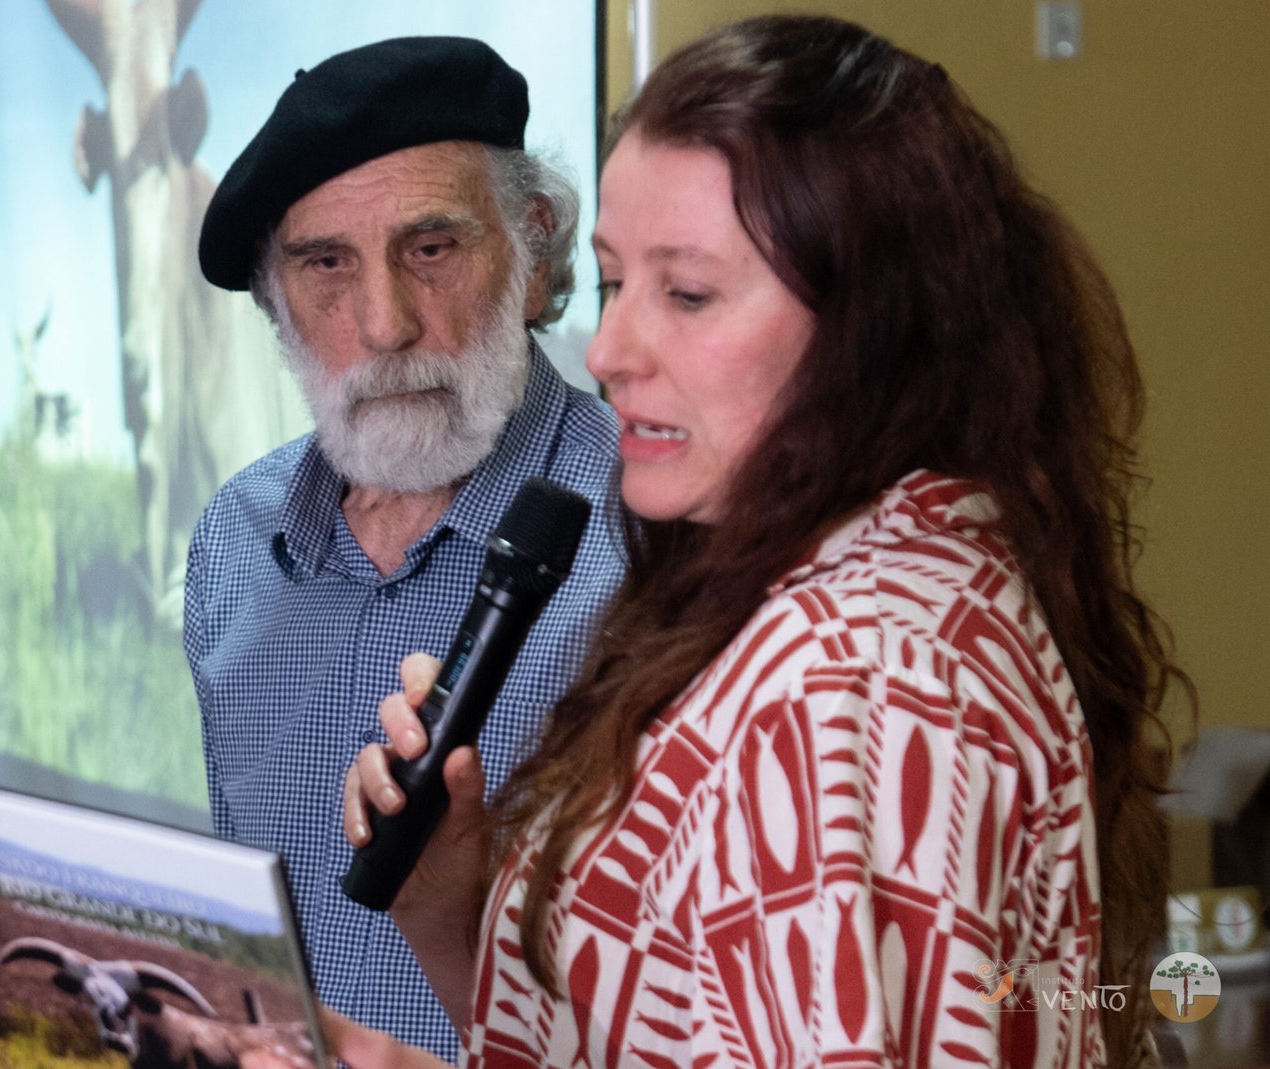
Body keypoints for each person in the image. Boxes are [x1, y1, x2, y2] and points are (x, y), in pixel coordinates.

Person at [332, 15, 1190, 1069]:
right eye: (612, 283)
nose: (609, 350)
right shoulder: (854, 582)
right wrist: (446, 911)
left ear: (874, 325)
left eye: (687, 293)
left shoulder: (850, 677)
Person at [183, 37, 625, 1062]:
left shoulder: (655, 540)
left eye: (431, 248)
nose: (384, 326)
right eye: (325, 265)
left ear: (532, 253)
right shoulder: (235, 539)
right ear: (276, 302)